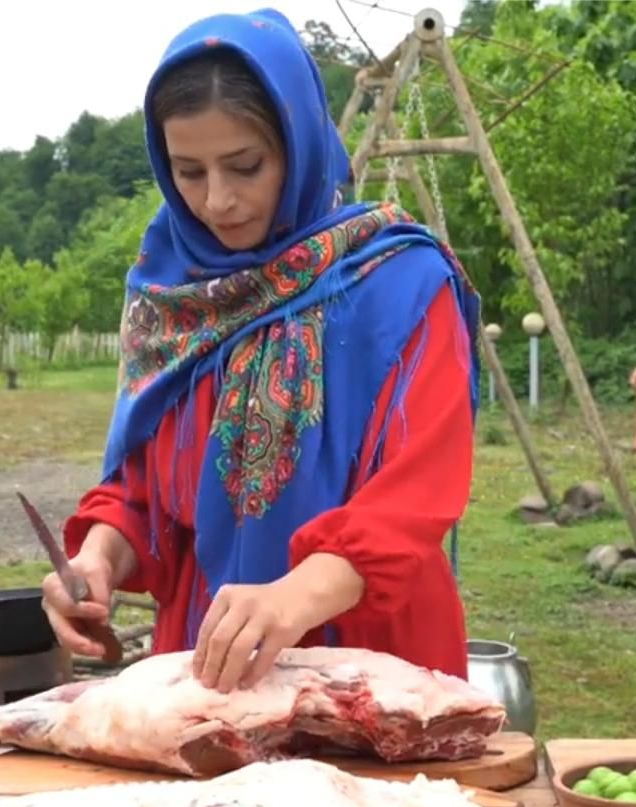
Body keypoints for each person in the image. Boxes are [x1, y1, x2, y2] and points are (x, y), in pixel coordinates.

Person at [42, 7, 483, 694]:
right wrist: (97, 559)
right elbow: (144, 492)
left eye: (245, 166)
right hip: (210, 670)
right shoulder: (173, 294)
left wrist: (290, 599)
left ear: (297, 143)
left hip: (370, 666)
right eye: (188, 172)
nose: (218, 201)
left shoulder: (400, 283)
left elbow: (416, 494)